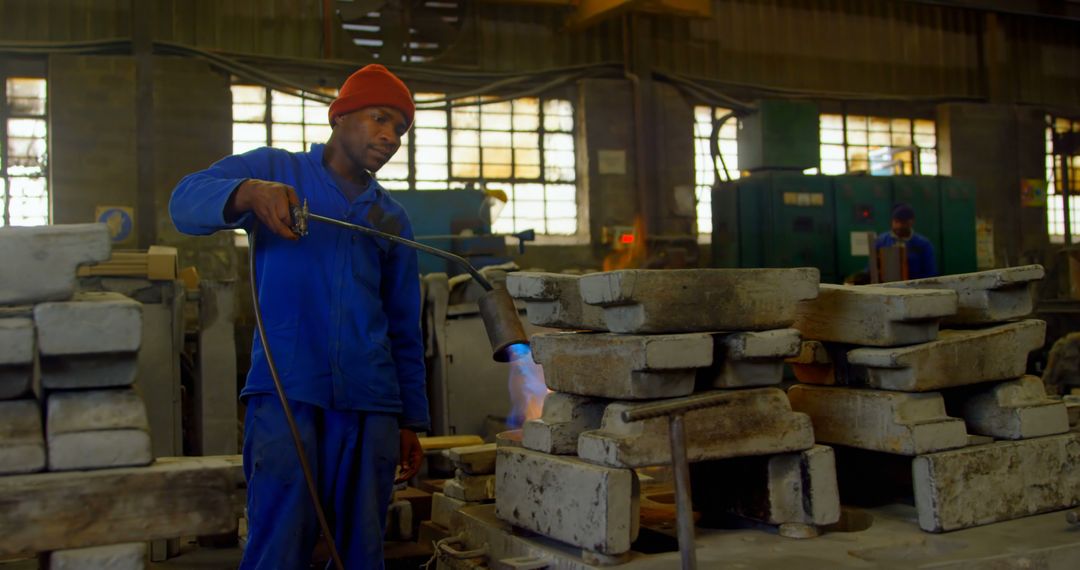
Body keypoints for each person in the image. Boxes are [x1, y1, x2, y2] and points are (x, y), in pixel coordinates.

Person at [169, 64, 428, 569]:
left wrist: (409, 419)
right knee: (279, 544)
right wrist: (248, 193)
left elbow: (403, 326)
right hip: (289, 396)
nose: (390, 136)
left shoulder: (390, 218)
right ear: (340, 117)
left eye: (400, 128)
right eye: (379, 119)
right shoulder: (278, 172)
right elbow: (183, 202)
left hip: (371, 406)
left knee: (361, 551)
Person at [875, 203, 937, 279]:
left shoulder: (923, 244)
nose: (899, 226)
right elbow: (873, 267)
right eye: (896, 222)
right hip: (887, 288)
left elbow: (930, 272)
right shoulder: (881, 241)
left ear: (911, 222)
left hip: (915, 287)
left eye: (903, 223)